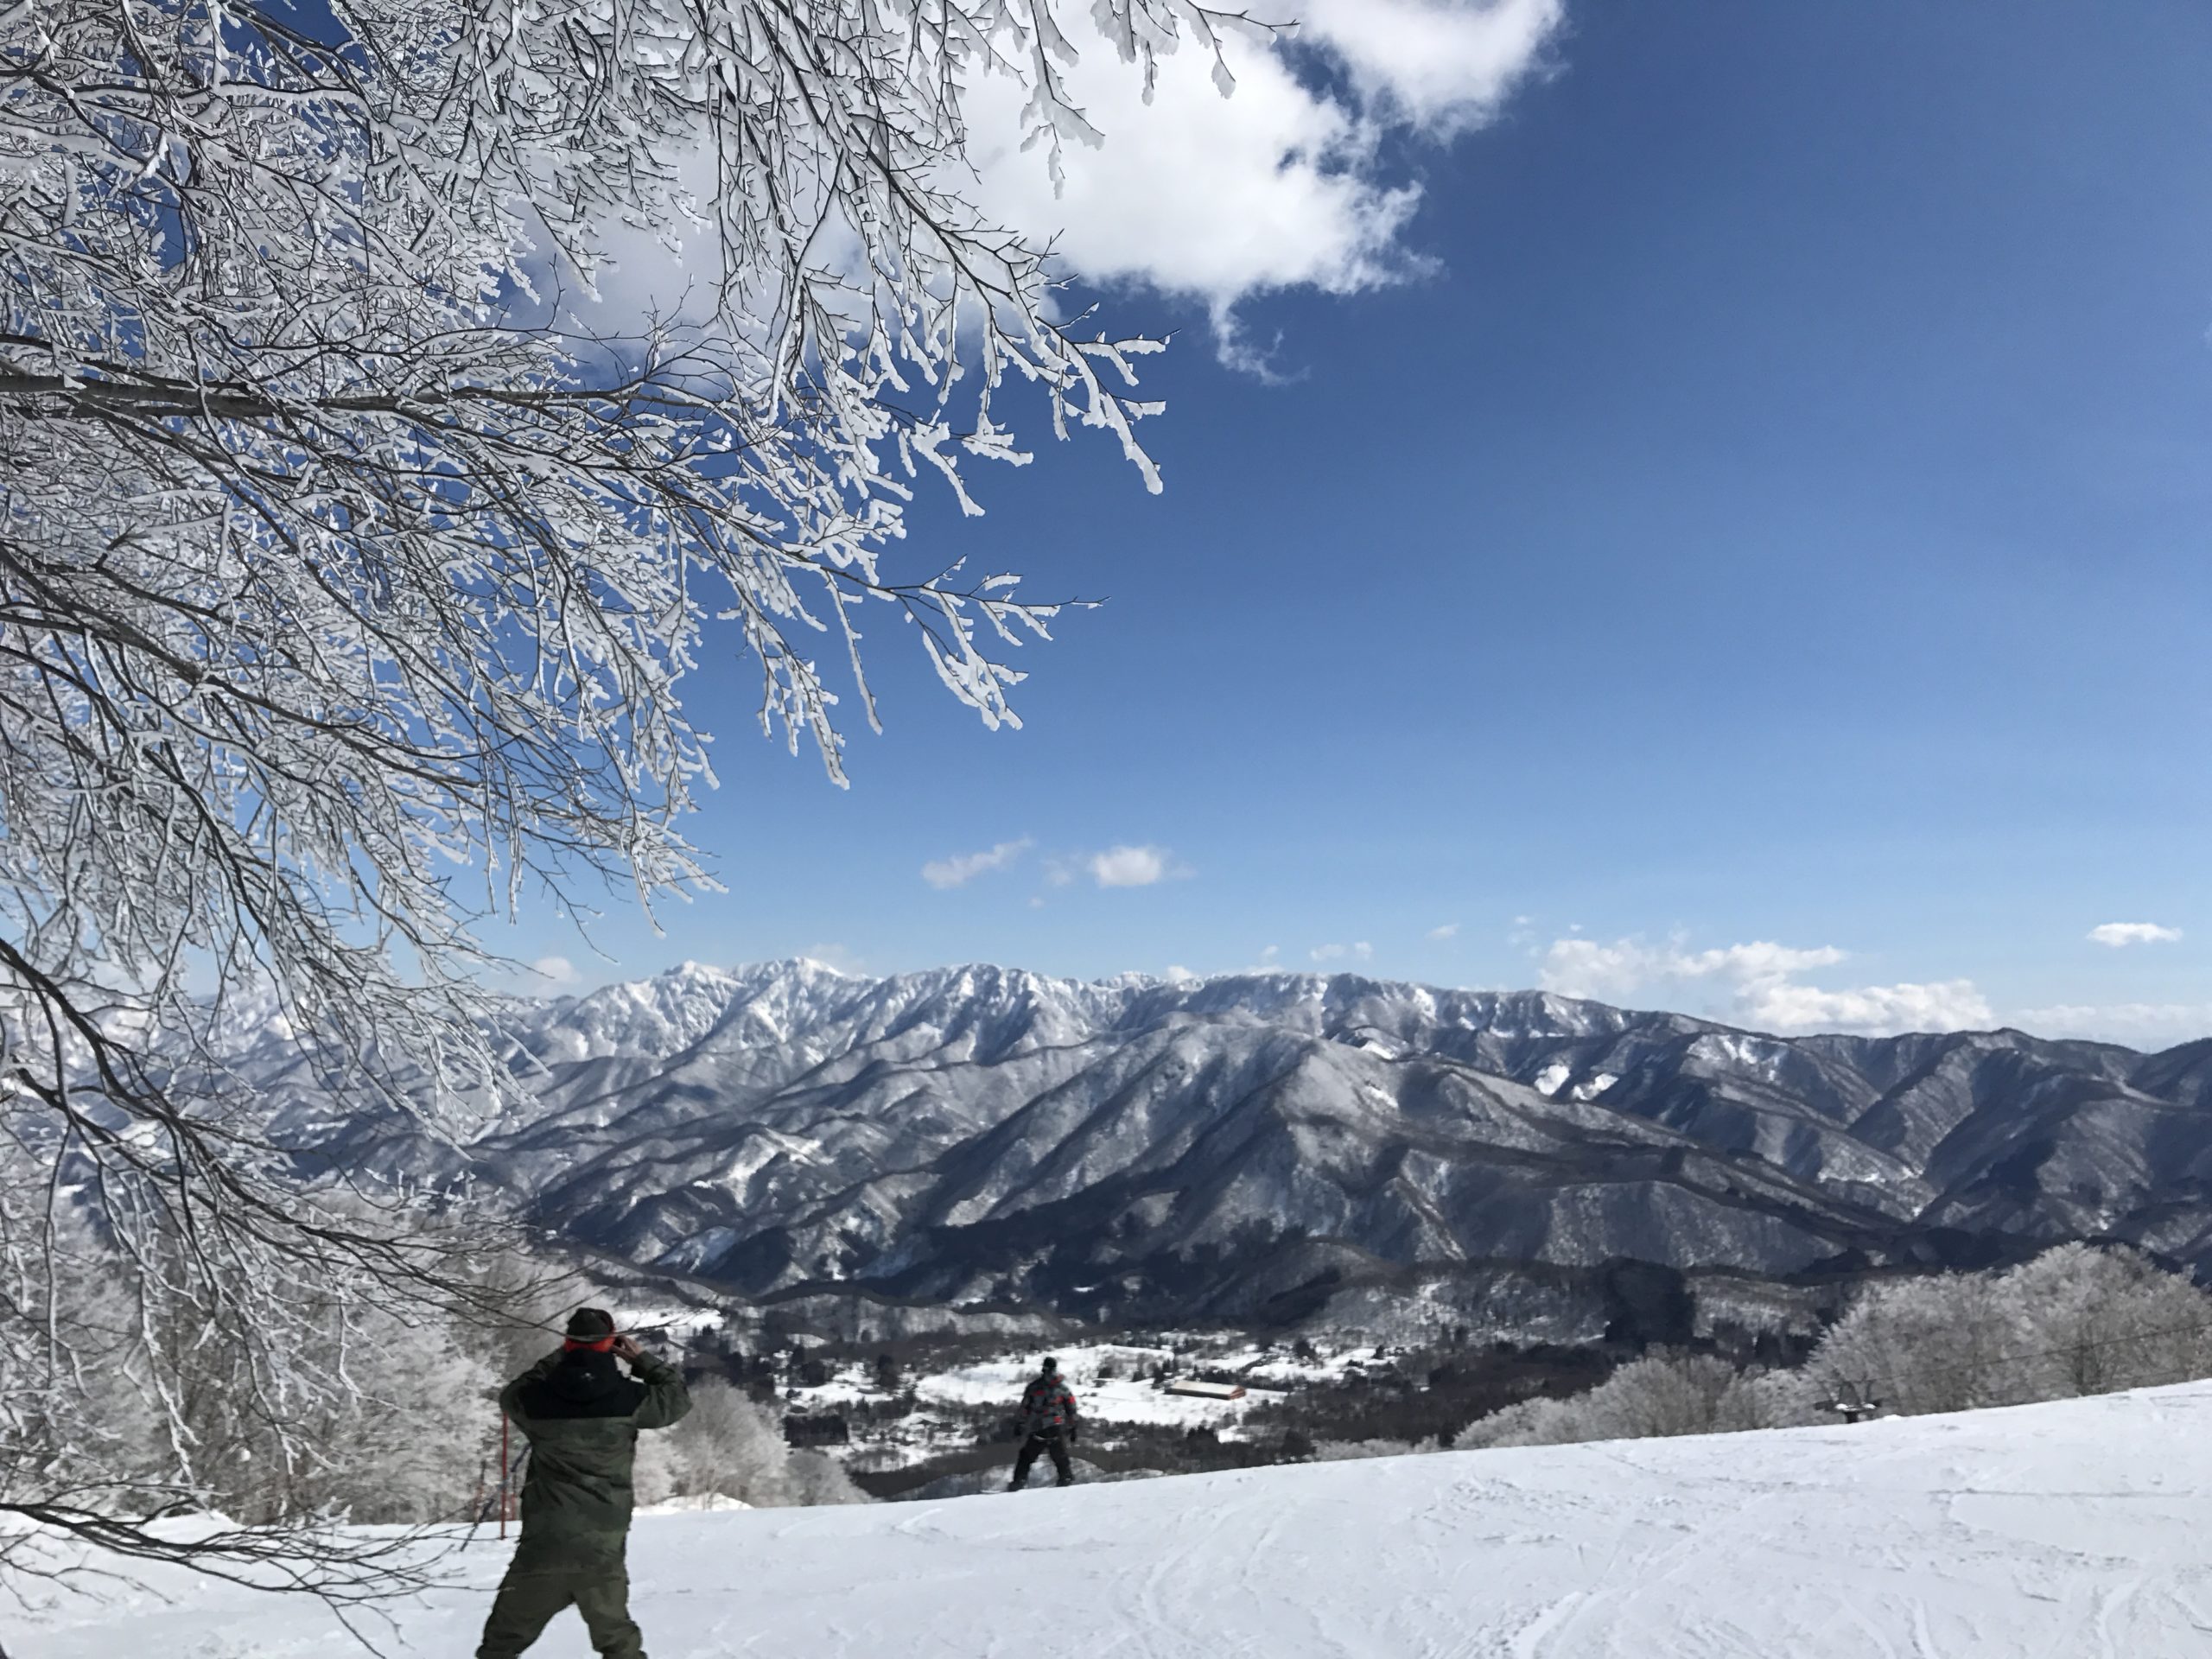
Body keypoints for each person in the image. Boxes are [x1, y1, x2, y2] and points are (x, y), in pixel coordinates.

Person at [478, 1307, 692, 1659]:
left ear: (568, 1342)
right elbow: (677, 1399)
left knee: (500, 1645)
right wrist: (642, 1360)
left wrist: (563, 1355)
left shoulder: (535, 1401)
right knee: (618, 1643)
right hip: (602, 1545)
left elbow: (512, 1393)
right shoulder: (631, 1400)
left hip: (543, 1544)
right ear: (610, 1343)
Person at [1007, 1355, 1080, 1491]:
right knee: (1060, 1457)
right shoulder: (1062, 1388)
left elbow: (1025, 1408)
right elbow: (1071, 1409)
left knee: (1026, 1457)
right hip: (1056, 1427)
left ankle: (1018, 1482)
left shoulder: (1034, 1388)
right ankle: (1066, 1479)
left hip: (1038, 1427)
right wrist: (1073, 1427)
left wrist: (1020, 1425)